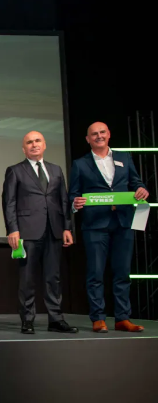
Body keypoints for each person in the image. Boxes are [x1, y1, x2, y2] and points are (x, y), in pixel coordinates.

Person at [69, 122, 149, 333]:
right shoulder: (80, 164)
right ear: (88, 139)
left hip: (123, 222)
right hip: (95, 225)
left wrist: (141, 189)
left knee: (122, 272)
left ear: (109, 134)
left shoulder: (124, 157)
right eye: (94, 134)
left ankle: (123, 318)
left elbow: (136, 182)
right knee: (95, 273)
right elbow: (73, 194)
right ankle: (98, 318)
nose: (99, 136)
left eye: (102, 132)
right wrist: (75, 203)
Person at [1, 131, 77, 334]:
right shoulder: (15, 170)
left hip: (54, 229)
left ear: (44, 145)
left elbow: (63, 200)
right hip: (27, 231)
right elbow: (9, 202)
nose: (34, 144)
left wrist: (67, 227)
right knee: (27, 278)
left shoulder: (56, 169)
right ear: (23, 148)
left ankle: (56, 319)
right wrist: (13, 229)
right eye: (29, 142)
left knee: (54, 277)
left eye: (37, 141)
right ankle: (27, 320)